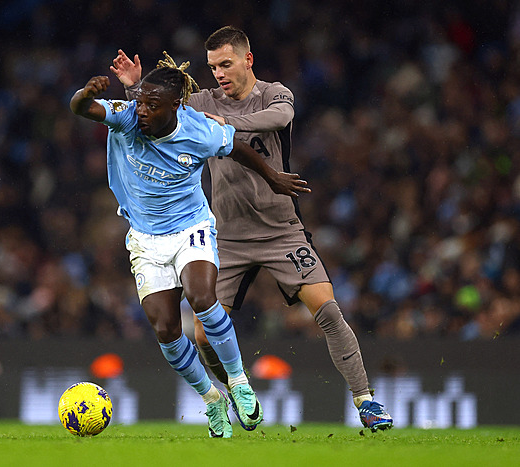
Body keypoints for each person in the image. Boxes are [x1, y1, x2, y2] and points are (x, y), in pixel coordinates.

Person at [111, 26, 393, 432]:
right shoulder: (202, 100)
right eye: (212, 67)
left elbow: (282, 118)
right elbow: (157, 108)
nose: (219, 73)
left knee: (328, 310)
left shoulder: (274, 94)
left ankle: (366, 402)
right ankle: (234, 397)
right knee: (204, 336)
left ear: (248, 60)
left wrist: (222, 121)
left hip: (281, 229)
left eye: (226, 64)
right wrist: (137, 87)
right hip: (225, 236)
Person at [70, 53, 310, 438]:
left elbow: (237, 147)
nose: (142, 111)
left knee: (201, 298)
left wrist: (273, 177)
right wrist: (86, 93)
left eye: (152, 105)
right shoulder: (126, 115)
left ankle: (239, 383)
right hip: (145, 238)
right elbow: (81, 108)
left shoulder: (199, 130)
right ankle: (212, 399)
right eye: (141, 102)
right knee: (165, 328)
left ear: (176, 107)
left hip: (190, 228)